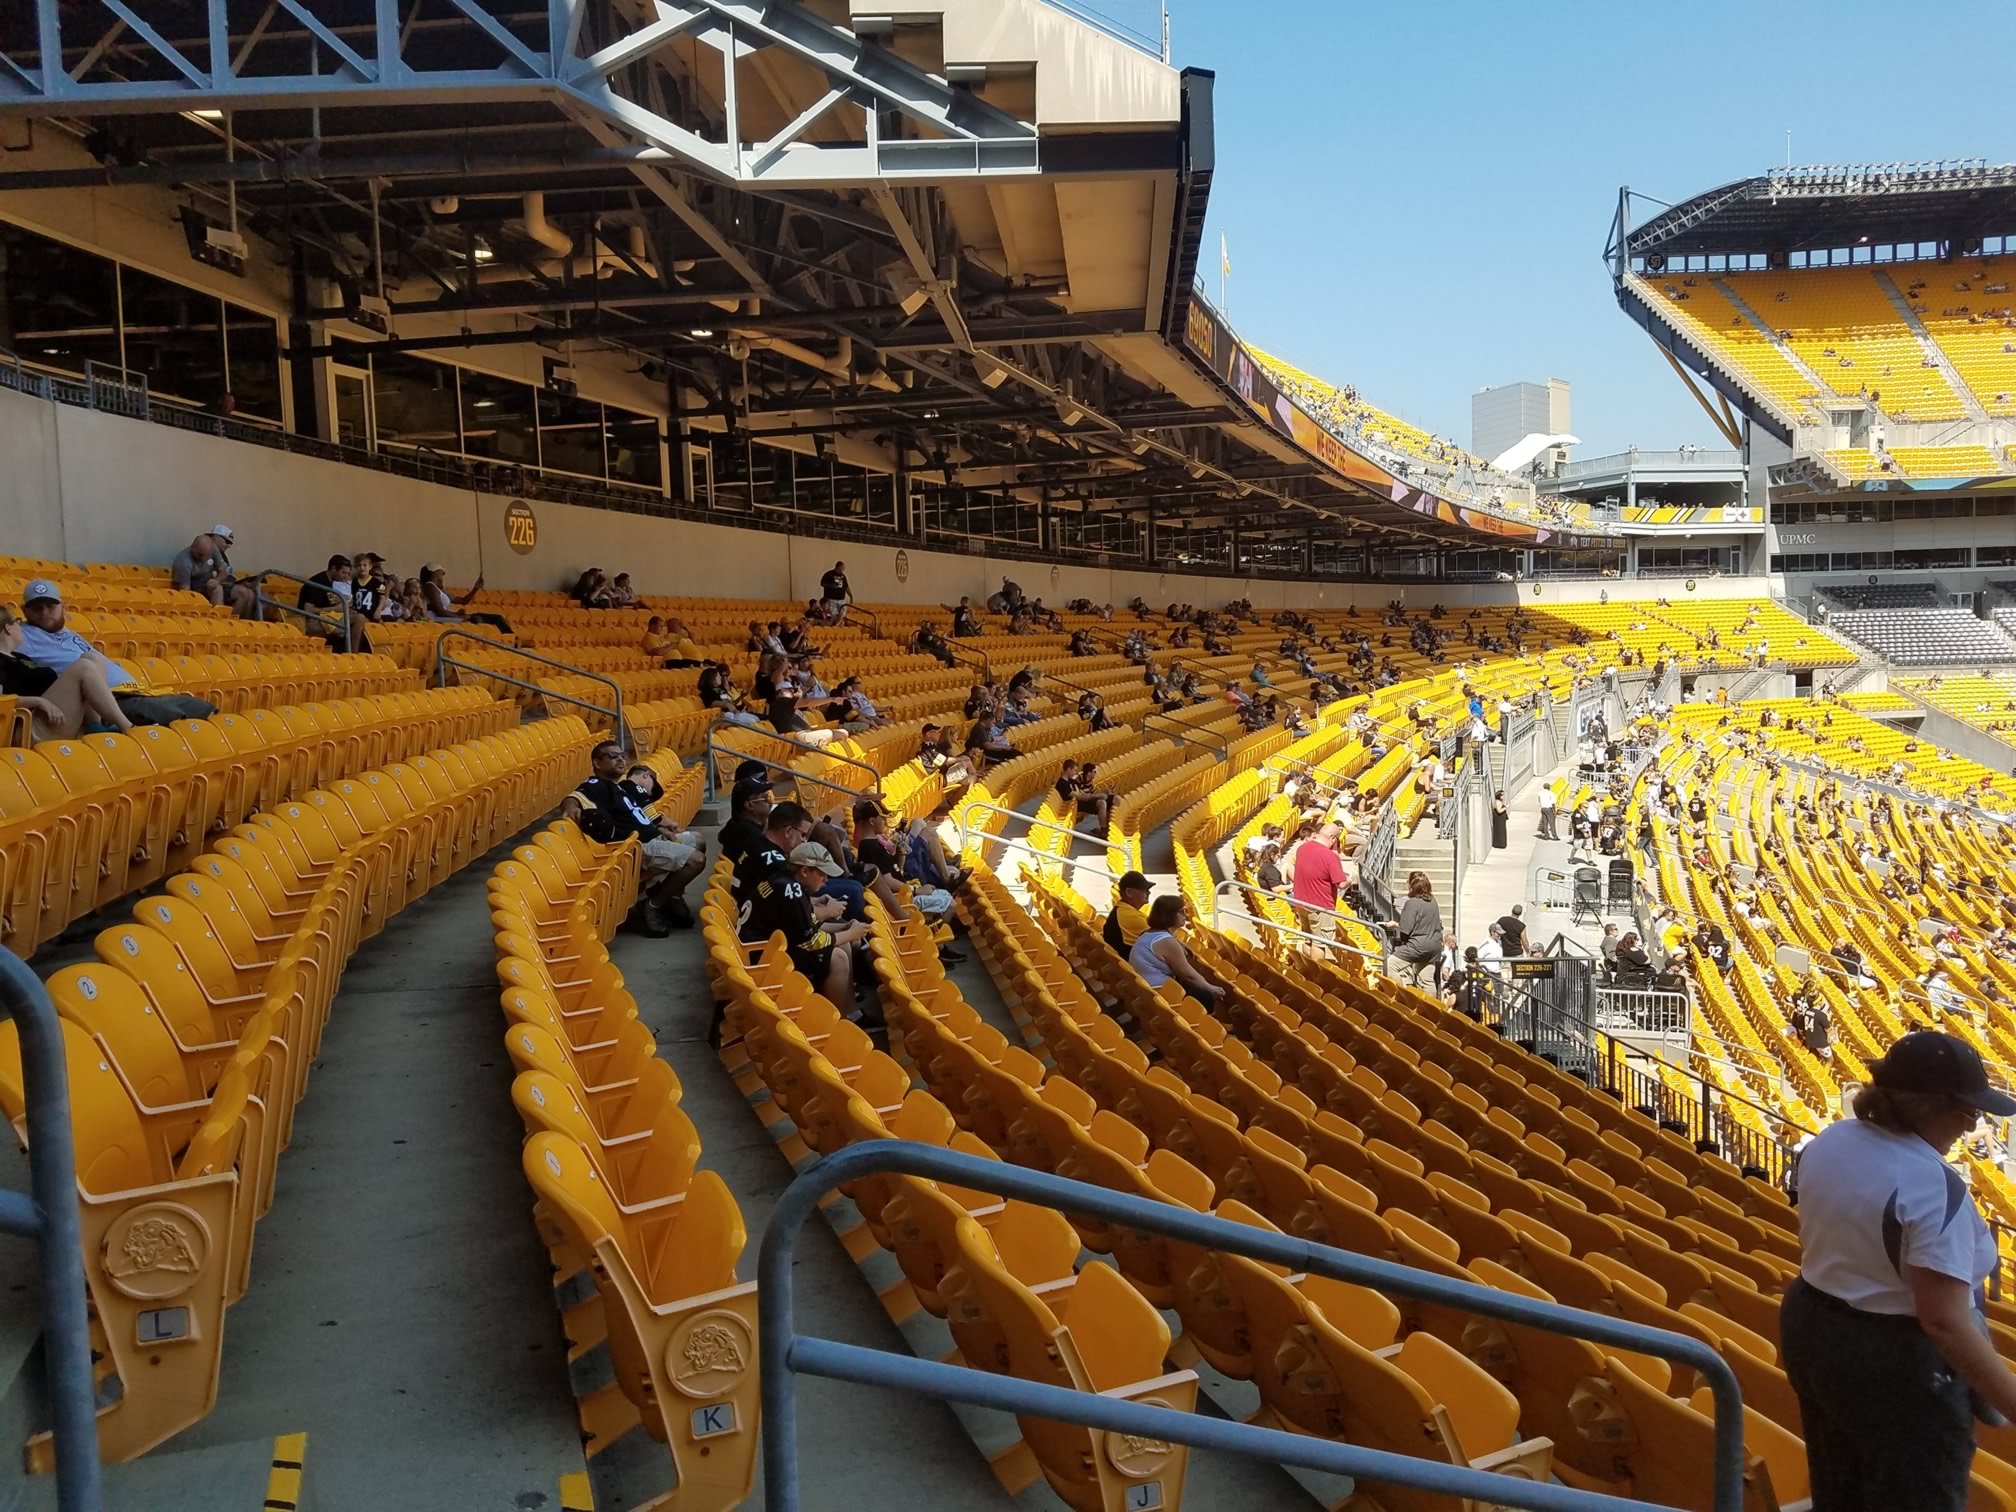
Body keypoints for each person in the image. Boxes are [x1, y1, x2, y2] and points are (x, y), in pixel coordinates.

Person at [1781, 1032, 2016, 1512]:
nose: (1974, 1122)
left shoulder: (1833, 1138)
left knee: (1839, 1487)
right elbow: (1944, 1321)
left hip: (1812, 1325)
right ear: (1925, 1105)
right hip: (1896, 1366)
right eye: (1968, 1109)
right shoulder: (1933, 1186)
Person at [16, 579, 215, 726]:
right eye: (37, 608)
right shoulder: (22, 635)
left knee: (203, 709)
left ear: (63, 607)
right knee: (177, 720)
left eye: (51, 606)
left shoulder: (68, 632)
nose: (44, 613)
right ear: (25, 611)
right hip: (113, 701)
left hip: (138, 691)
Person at [733, 801, 868, 1012]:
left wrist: (843, 928)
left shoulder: (785, 880)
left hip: (763, 948)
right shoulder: (790, 890)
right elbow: (809, 940)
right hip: (762, 958)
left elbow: (801, 926)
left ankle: (849, 1010)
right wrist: (851, 933)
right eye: (822, 874)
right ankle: (840, 1019)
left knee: (840, 945)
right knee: (838, 956)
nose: (825, 881)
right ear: (804, 871)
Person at [560, 739, 705, 934]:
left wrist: (659, 828)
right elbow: (573, 797)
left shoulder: (619, 787)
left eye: (622, 755)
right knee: (696, 860)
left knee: (698, 840)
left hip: (654, 838)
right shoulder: (597, 784)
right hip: (641, 847)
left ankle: (673, 895)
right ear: (597, 763)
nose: (620, 759)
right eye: (613, 756)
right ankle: (653, 904)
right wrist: (570, 806)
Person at [0, 604, 134, 737]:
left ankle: (94, 725)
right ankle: (129, 729)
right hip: (30, 726)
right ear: (8, 628)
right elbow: (2, 700)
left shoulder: (19, 656)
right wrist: (38, 701)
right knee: (84, 667)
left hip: (54, 715)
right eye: (17, 622)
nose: (21, 626)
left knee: (92, 657)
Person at [1129, 895, 1224, 1007]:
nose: (1186, 915)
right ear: (1169, 916)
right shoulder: (1167, 942)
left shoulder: (1148, 934)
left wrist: (1178, 942)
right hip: (1159, 993)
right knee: (1206, 996)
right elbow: (1188, 976)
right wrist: (1211, 988)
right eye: (1181, 912)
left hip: (1146, 990)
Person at [1290, 824, 1348, 955]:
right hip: (1320, 906)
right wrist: (1350, 879)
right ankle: (1317, 974)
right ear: (1333, 838)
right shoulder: (1330, 857)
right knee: (1319, 944)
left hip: (1301, 903)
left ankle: (1309, 969)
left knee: (1308, 939)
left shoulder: (1302, 848)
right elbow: (1342, 884)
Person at [170, 525, 255, 615]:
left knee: (245, 593)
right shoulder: (183, 562)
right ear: (193, 548)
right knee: (217, 589)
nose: (204, 558)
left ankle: (235, 623)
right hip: (196, 588)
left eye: (207, 554)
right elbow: (185, 592)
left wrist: (216, 580)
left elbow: (223, 571)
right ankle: (218, 620)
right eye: (200, 555)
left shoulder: (213, 548)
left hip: (210, 583)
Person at [297, 554, 373, 653]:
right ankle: (353, 654)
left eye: (348, 573)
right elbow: (308, 610)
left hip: (328, 617)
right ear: (333, 568)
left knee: (364, 619)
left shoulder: (332, 582)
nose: (346, 576)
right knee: (359, 619)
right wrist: (335, 609)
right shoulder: (317, 582)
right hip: (314, 621)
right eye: (343, 573)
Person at [1384, 871, 1445, 989]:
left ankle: (1403, 995)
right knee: (1427, 981)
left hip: (1418, 946)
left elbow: (1405, 930)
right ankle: (1432, 1007)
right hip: (1434, 946)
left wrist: (1396, 925)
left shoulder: (1411, 903)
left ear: (1412, 886)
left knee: (1389, 965)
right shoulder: (1433, 901)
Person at [420, 563, 512, 632]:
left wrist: (475, 589)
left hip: (447, 618)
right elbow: (440, 612)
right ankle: (513, 640)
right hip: (439, 620)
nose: (443, 575)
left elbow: (462, 601)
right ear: (434, 573)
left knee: (495, 618)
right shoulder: (430, 587)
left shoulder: (440, 590)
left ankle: (511, 639)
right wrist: (459, 616)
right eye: (442, 573)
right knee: (483, 619)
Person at [717, 775, 774, 865]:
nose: (770, 802)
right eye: (765, 798)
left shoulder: (738, 824)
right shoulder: (748, 836)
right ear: (749, 805)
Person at [1103, 871, 1153, 954]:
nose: (1149, 892)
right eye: (1144, 890)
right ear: (1129, 892)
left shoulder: (1122, 910)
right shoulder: (1130, 916)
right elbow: (1165, 941)